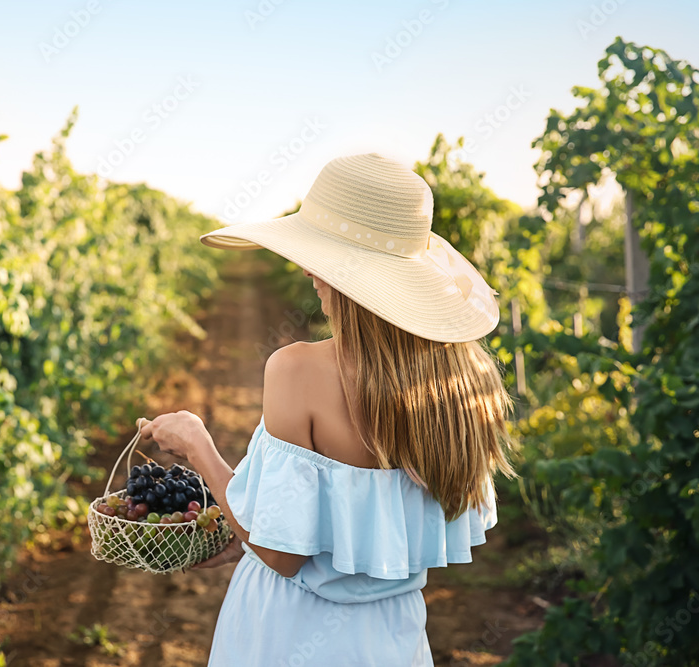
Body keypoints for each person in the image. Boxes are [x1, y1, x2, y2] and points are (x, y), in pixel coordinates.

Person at [137, 153, 517, 666]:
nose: (307, 269)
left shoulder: (297, 370)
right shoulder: (460, 382)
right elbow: (349, 534)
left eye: (319, 254)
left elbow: (282, 554)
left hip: (287, 635)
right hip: (393, 638)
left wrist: (198, 446)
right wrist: (243, 537)